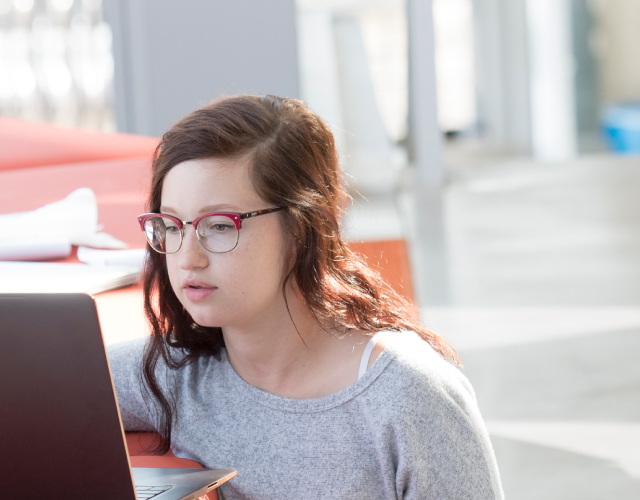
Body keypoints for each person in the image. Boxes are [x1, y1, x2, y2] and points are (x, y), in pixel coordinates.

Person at [108, 95, 502, 499]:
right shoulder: (174, 375)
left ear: (301, 228)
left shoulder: (409, 395)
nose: (188, 258)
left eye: (220, 225)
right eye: (172, 225)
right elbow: (64, 388)